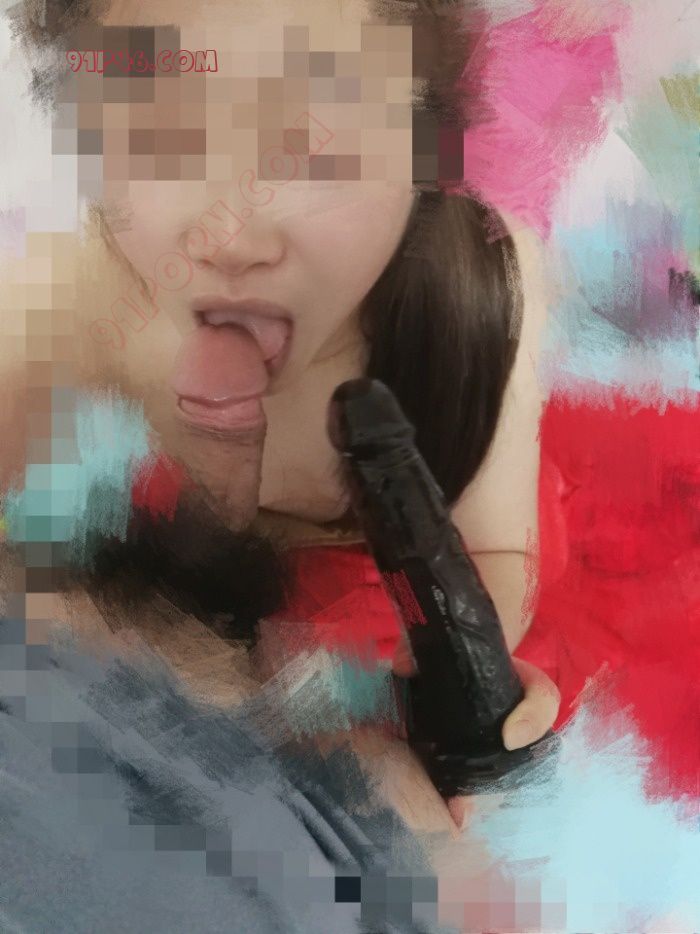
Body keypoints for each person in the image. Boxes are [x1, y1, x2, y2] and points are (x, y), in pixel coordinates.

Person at [0, 0, 560, 921]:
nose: (232, 238)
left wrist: (449, 687)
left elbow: (494, 554)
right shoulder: (73, 316)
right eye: (157, 135)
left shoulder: (483, 293)